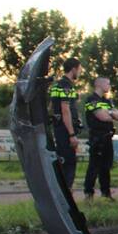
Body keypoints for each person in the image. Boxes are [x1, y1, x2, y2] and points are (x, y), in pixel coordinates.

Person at [82, 77, 118, 200]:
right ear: (99, 84)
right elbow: (102, 117)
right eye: (108, 83)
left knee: (106, 167)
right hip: (97, 137)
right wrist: (110, 113)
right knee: (94, 166)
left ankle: (106, 193)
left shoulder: (107, 100)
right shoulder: (91, 100)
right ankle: (89, 193)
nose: (109, 86)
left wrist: (108, 112)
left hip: (108, 137)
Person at [49, 57, 83, 189]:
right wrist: (71, 134)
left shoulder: (57, 85)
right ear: (74, 69)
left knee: (62, 160)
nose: (79, 73)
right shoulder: (67, 86)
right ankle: (66, 194)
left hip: (58, 127)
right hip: (65, 129)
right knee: (69, 162)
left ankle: (62, 190)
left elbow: (51, 107)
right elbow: (66, 110)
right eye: (79, 70)